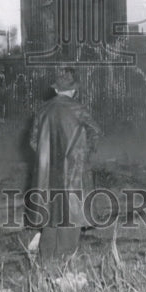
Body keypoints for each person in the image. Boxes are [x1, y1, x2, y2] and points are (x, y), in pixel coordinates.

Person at [28, 67, 101, 262]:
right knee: (72, 211)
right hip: (74, 170)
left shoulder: (43, 109)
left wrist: (48, 157)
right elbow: (95, 132)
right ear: (74, 90)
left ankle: (46, 261)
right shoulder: (78, 109)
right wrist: (83, 154)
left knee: (50, 212)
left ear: (56, 90)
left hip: (48, 171)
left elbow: (33, 141)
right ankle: (65, 260)